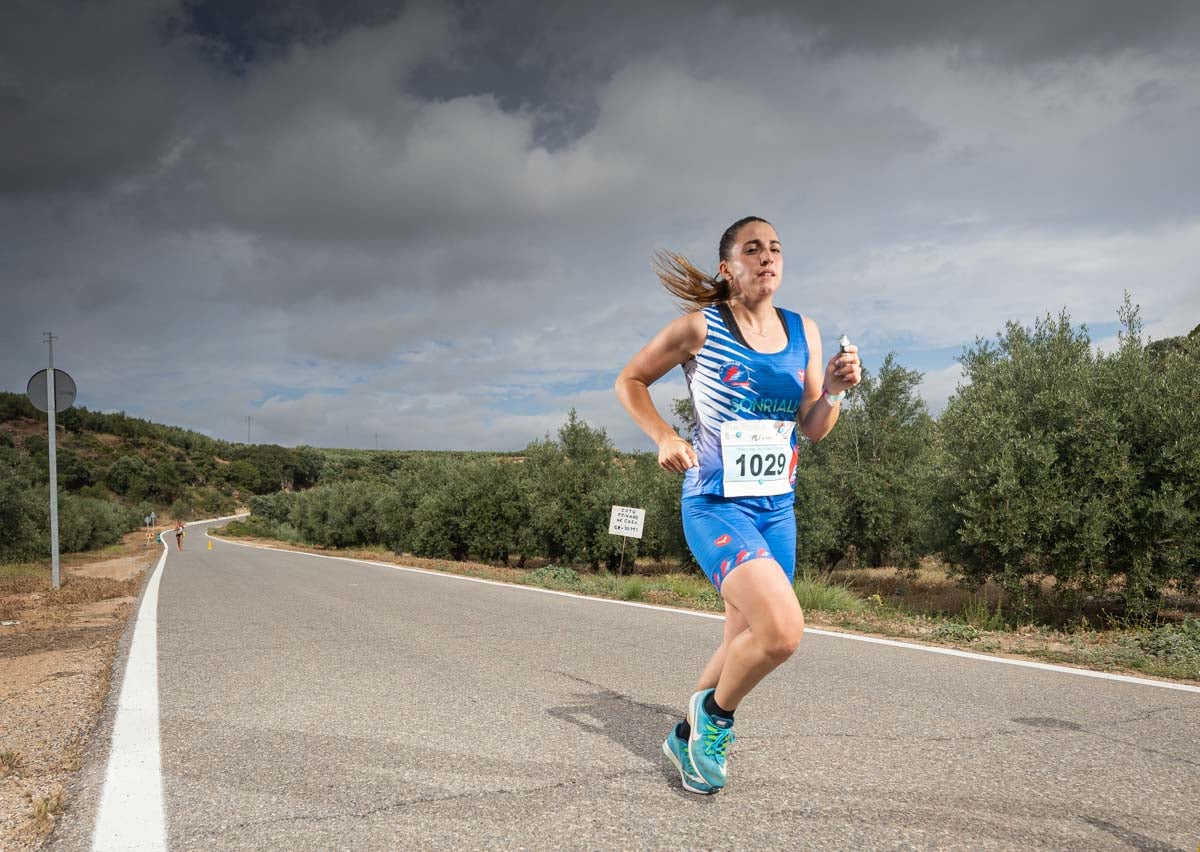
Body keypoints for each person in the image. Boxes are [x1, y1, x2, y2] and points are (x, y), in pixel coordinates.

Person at [614, 216, 861, 794]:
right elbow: (630, 380)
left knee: (738, 640)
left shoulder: (804, 331)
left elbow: (813, 427)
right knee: (781, 633)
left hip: (777, 508)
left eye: (775, 248)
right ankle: (716, 719)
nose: (768, 257)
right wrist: (664, 437)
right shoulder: (699, 328)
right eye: (753, 249)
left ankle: (686, 735)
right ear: (728, 268)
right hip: (716, 503)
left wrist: (835, 393)